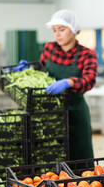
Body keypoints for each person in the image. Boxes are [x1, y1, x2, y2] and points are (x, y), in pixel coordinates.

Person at [40, 9, 98, 161]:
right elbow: (41, 69)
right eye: (54, 30)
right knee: (53, 156)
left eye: (62, 29)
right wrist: (28, 67)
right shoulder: (49, 48)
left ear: (73, 30)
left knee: (79, 156)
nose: (57, 34)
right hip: (51, 112)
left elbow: (90, 80)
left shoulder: (87, 54)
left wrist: (69, 82)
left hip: (75, 114)